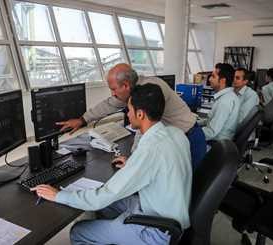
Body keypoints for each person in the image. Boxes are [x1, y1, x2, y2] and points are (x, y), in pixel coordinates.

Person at [32, 84, 192, 245]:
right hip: (166, 212)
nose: (127, 114)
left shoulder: (150, 150)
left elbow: (104, 195)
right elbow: (163, 165)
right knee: (105, 206)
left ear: (140, 114)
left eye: (129, 110)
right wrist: (134, 164)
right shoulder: (175, 133)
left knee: (79, 230)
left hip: (157, 230)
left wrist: (58, 195)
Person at [57, 63, 206, 169]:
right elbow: (109, 104)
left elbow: (144, 129)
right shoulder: (133, 90)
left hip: (190, 137)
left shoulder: (151, 90)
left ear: (126, 85)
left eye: (114, 89)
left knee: (190, 192)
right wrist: (83, 120)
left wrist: (132, 161)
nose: (112, 94)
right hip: (175, 139)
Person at [201, 63, 240, 141]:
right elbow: (211, 121)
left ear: (222, 81)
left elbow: (210, 132)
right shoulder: (229, 96)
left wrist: (190, 132)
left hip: (214, 144)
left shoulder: (225, 101)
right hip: (220, 141)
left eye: (213, 76)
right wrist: (195, 123)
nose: (209, 79)